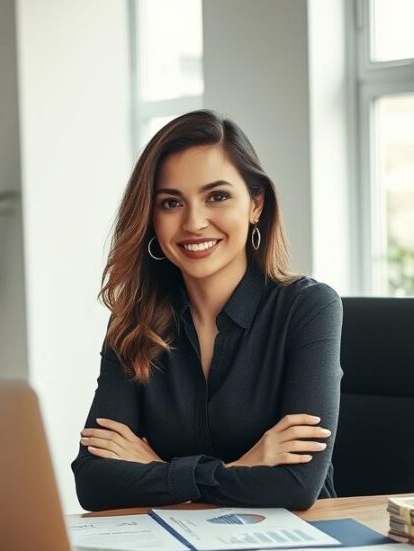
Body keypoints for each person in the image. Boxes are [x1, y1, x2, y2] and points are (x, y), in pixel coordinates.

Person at [72, 110, 343, 512]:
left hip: (293, 548)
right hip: (173, 550)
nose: (194, 222)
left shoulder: (308, 308)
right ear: (150, 216)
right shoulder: (134, 321)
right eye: (170, 202)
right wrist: (241, 466)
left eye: (217, 196)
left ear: (256, 204)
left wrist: (159, 470)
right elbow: (94, 483)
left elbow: (296, 485)